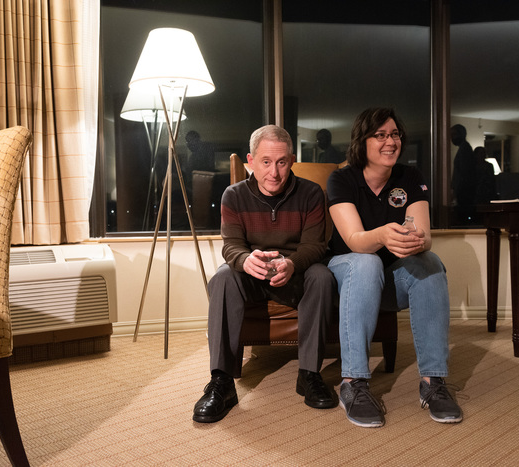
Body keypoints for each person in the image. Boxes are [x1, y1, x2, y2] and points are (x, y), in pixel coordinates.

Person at [326, 107, 462, 428]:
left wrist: (415, 242)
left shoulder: (409, 177)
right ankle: (353, 382)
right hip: (348, 277)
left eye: (395, 134)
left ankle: (433, 382)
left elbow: (425, 237)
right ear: (362, 141)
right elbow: (355, 240)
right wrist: (384, 235)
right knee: (367, 260)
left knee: (430, 262)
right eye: (380, 135)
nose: (390, 142)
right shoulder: (342, 179)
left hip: (389, 280)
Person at [193, 124, 338, 423]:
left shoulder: (311, 193)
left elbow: (315, 246)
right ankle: (221, 381)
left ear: (292, 160)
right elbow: (231, 245)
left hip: (296, 274)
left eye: (282, 162)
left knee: (322, 276)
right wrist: (245, 260)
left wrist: (292, 263)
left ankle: (309, 374)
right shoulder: (233, 195)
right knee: (223, 276)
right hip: (252, 276)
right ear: (251, 161)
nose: (274, 172)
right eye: (266, 162)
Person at [450, 124, 476, 224]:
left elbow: (464, 172)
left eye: (454, 134)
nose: (452, 138)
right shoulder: (463, 148)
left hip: (464, 191)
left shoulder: (465, 149)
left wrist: (457, 189)